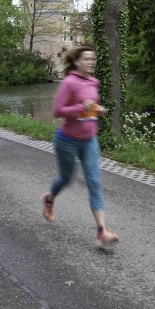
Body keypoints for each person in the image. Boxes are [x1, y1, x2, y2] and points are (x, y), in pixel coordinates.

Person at [41, 46, 119, 245]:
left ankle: (102, 231)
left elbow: (89, 107)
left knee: (94, 182)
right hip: (67, 140)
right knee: (66, 179)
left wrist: (96, 109)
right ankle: (49, 198)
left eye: (93, 59)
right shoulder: (69, 82)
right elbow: (58, 111)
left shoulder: (93, 82)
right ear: (76, 62)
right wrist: (80, 107)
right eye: (86, 59)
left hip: (89, 140)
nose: (91, 62)